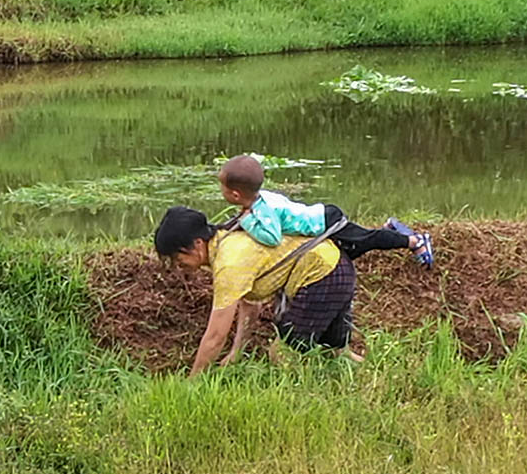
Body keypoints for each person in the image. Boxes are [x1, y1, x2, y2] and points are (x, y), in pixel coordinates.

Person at [154, 205, 361, 377]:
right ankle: (360, 375)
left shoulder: (229, 263)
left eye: (176, 258)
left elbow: (216, 335)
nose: (176, 266)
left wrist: (193, 380)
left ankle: (306, 398)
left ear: (197, 244)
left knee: (282, 353)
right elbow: (249, 303)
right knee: (335, 352)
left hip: (323, 276)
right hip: (335, 267)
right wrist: (236, 352)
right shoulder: (227, 239)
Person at [219, 154, 433, 268]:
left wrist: (248, 222)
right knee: (357, 245)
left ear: (235, 195)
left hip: (326, 223)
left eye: (223, 188)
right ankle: (390, 228)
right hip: (323, 215)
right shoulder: (260, 200)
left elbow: (272, 237)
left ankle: (415, 241)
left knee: (366, 241)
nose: (221, 191)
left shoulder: (262, 210)